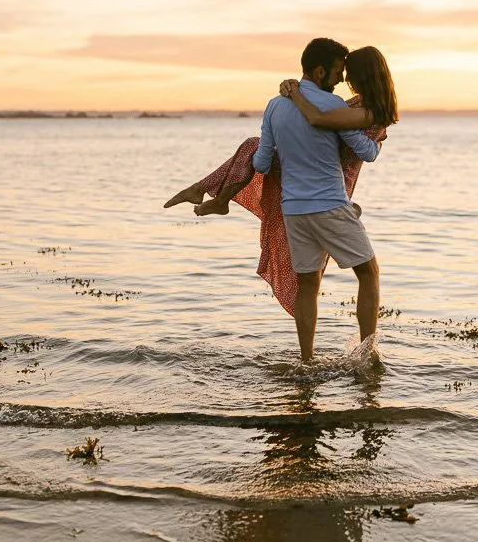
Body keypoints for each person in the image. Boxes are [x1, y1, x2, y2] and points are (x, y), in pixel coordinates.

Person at [163, 41, 399, 360]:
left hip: (294, 208)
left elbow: (265, 161)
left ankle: (306, 359)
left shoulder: (282, 105)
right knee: (368, 273)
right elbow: (332, 129)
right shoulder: (337, 104)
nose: (344, 80)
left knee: (308, 284)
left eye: (349, 75)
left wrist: (295, 101)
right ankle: (368, 352)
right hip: (329, 203)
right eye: (340, 73)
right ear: (321, 71)